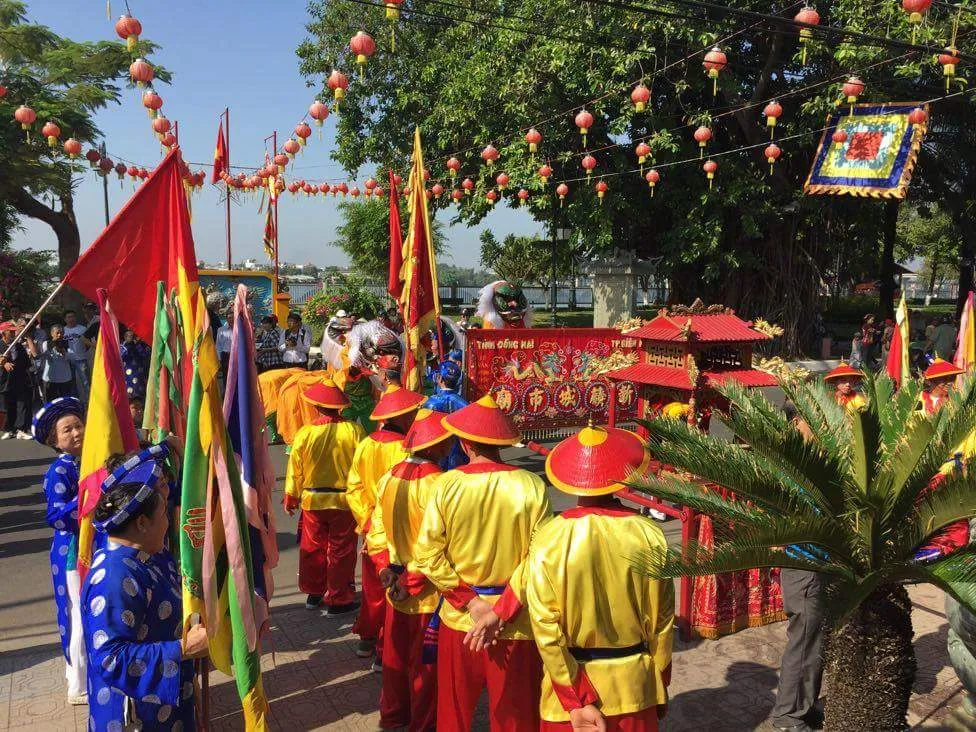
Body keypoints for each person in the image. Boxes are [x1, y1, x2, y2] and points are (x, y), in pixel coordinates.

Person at [519, 423, 673, 732]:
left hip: (571, 695)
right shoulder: (649, 535)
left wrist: (575, 698)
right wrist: (658, 682)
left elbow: (545, 629)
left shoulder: (550, 537)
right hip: (634, 686)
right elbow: (662, 623)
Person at [412, 394, 551, 731]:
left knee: (454, 714)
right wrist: (500, 611)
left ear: (465, 443)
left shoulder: (447, 485)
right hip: (515, 621)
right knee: (515, 718)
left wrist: (472, 603)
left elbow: (426, 554)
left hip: (461, 618)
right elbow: (542, 559)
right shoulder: (531, 485)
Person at [83, 445, 208, 731]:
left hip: (164, 704)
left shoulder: (143, 555)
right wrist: (184, 648)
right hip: (138, 715)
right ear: (141, 522)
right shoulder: (115, 578)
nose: (168, 522)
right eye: (163, 513)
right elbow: (111, 659)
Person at [366, 409, 454, 731]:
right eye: (447, 440)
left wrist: (384, 569)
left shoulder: (389, 476)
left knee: (395, 658)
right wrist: (412, 579)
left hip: (394, 582)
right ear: (434, 445)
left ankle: (393, 717)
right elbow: (439, 544)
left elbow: (376, 529)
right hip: (426, 590)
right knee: (426, 666)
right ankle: (422, 724)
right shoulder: (441, 484)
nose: (451, 445)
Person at [346, 385, 426, 666]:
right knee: (394, 588)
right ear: (403, 416)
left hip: (371, 528)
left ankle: (367, 638)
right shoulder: (406, 449)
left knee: (372, 587)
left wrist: (367, 522)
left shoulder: (366, 444)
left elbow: (354, 488)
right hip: (398, 529)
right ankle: (384, 649)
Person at [284, 379, 366, 614]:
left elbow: (295, 469)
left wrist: (291, 495)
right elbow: (363, 464)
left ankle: (314, 594)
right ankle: (339, 599)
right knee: (341, 551)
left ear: (317, 406)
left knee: (313, 548)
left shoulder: (305, 433)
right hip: (344, 501)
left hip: (313, 501)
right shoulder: (354, 431)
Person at [771, 402, 826, 732]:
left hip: (819, 562)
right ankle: (788, 715)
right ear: (796, 424)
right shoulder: (793, 467)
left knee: (814, 642)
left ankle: (804, 706)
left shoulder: (816, 462)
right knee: (803, 641)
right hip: (803, 563)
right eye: (812, 419)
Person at [32, 397, 88, 703]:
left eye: (78, 425)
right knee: (78, 613)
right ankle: (77, 685)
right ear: (54, 440)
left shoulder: (84, 462)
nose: (76, 432)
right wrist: (87, 497)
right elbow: (54, 515)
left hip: (85, 547)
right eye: (67, 430)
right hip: (71, 553)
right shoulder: (59, 470)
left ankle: (78, 674)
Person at [423, 361, 469, 470]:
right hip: (458, 449)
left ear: (440, 379)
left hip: (438, 447)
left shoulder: (431, 402)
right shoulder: (464, 403)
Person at [0, 320, 34, 439]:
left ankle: (21, 429)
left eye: (14, 331)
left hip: (19, 379)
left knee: (21, 404)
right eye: (10, 331)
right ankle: (9, 429)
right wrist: (3, 363)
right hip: (4, 381)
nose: (14, 333)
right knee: (8, 406)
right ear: (3, 333)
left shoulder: (18, 345)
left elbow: (26, 363)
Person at [28, 323, 75, 400]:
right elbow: (41, 355)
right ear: (52, 334)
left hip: (65, 379)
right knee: (51, 403)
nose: (60, 335)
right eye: (57, 333)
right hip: (50, 380)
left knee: (65, 402)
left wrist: (64, 353)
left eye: (62, 332)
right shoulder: (46, 343)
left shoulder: (68, 343)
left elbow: (73, 357)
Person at [62, 309, 92, 403]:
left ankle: (90, 402)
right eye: (69, 317)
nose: (71, 319)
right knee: (71, 382)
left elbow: (88, 343)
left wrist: (83, 351)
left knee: (86, 381)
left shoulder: (82, 329)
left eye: (73, 317)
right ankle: (75, 402)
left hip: (81, 358)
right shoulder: (62, 330)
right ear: (65, 319)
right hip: (68, 360)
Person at [120, 329, 152, 400]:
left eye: (131, 335)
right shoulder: (122, 347)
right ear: (124, 336)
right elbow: (119, 357)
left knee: (140, 401)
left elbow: (146, 354)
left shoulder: (142, 345)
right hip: (127, 383)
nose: (129, 336)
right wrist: (127, 345)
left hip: (140, 383)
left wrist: (137, 343)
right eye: (127, 335)